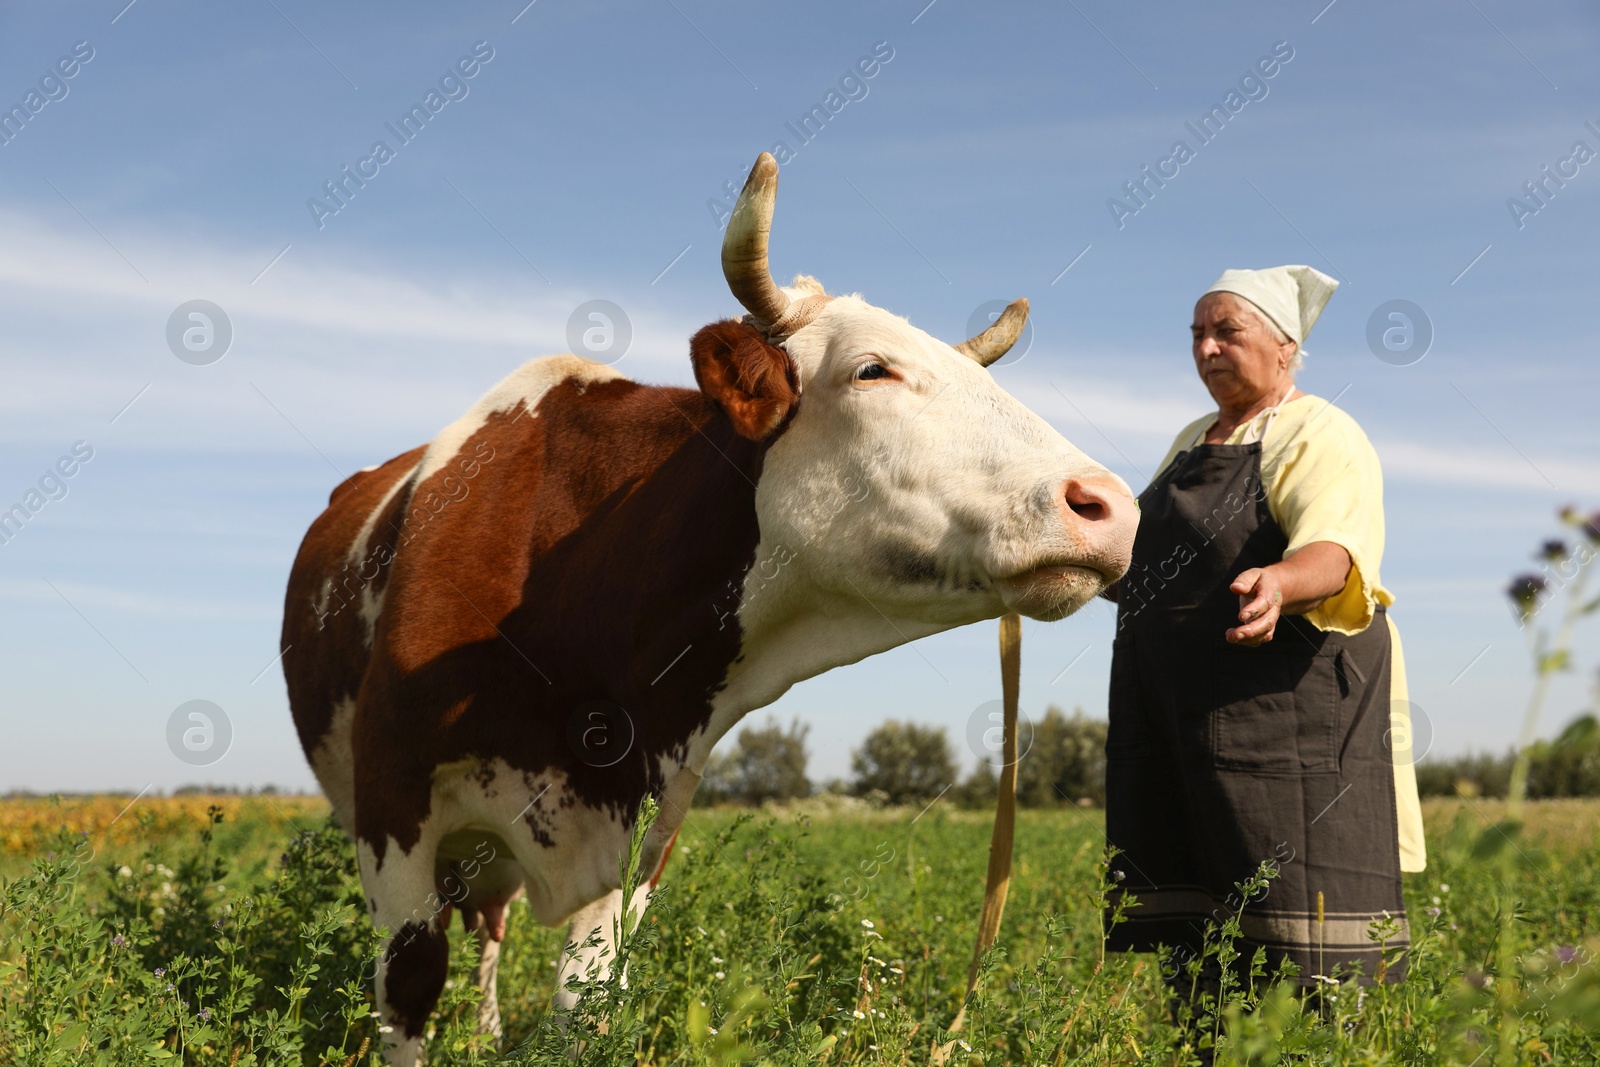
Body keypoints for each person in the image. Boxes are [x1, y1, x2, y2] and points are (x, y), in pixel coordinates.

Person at [1102, 265, 1426, 1012]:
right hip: (1186, 719)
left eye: (1227, 332)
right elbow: (1143, 562)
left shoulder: (1320, 430)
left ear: (1285, 348)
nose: (1208, 348)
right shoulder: (1191, 442)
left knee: (1301, 931)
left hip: (1288, 715)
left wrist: (1280, 582)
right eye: (1197, 334)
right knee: (1204, 939)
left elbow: (1338, 548)